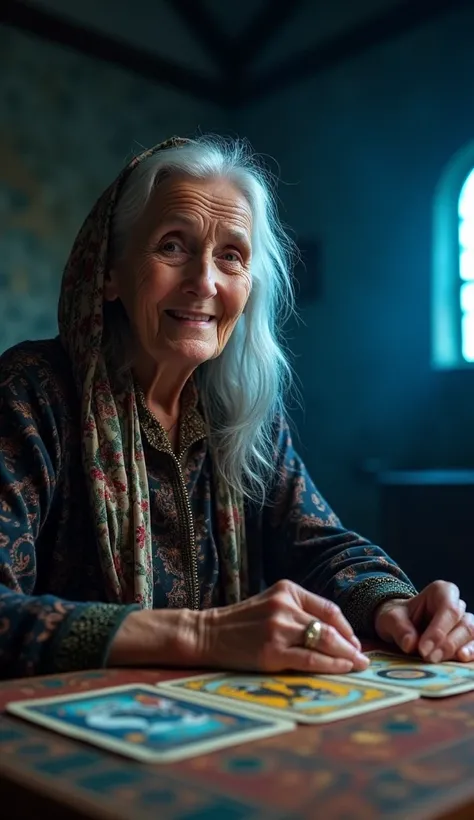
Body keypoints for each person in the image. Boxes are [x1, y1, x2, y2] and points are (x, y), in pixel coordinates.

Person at [0, 135, 472, 682]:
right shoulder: (32, 392)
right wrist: (203, 634)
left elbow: (317, 543)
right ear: (109, 271)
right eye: (172, 246)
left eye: (231, 255)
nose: (204, 281)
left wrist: (395, 606)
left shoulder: (240, 414)